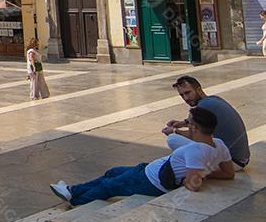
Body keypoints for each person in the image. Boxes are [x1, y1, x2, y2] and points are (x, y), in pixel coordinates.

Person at [51, 106, 236, 206]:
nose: (186, 124)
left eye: (189, 122)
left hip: (152, 181)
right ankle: (71, 190)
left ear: (194, 128)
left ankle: (75, 200)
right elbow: (229, 173)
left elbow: (192, 185)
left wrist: (198, 173)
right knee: (112, 172)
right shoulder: (219, 144)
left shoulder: (197, 150)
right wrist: (204, 171)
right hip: (150, 169)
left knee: (110, 186)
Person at [165, 75, 250, 168]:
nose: (186, 98)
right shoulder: (213, 100)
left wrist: (174, 131)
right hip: (242, 159)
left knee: (172, 139)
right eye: (182, 95)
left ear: (199, 90)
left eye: (188, 93)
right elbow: (200, 119)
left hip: (231, 162)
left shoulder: (203, 107)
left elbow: (194, 136)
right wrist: (182, 123)